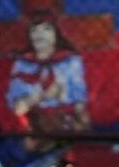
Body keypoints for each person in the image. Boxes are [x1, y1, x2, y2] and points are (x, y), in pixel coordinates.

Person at [7, 9, 89, 152]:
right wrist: (44, 96)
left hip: (65, 122)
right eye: (35, 30)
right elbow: (18, 108)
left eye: (46, 29)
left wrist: (81, 121)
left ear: (56, 33)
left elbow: (78, 100)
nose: (40, 36)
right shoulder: (22, 64)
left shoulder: (70, 62)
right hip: (35, 124)